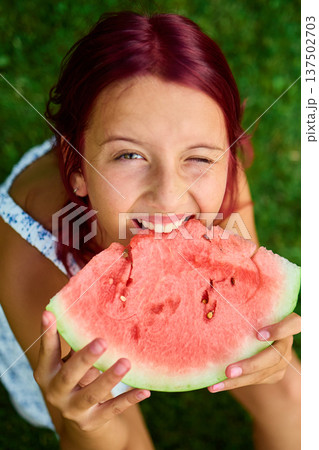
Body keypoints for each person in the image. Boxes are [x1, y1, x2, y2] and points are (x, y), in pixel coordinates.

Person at [0, 10, 301, 449]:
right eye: (130, 156)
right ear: (77, 167)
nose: (169, 195)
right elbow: (121, 442)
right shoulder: (29, 255)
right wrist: (85, 423)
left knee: (291, 387)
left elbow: (273, 366)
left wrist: (274, 356)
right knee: (101, 405)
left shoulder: (218, 170)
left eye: (198, 159)